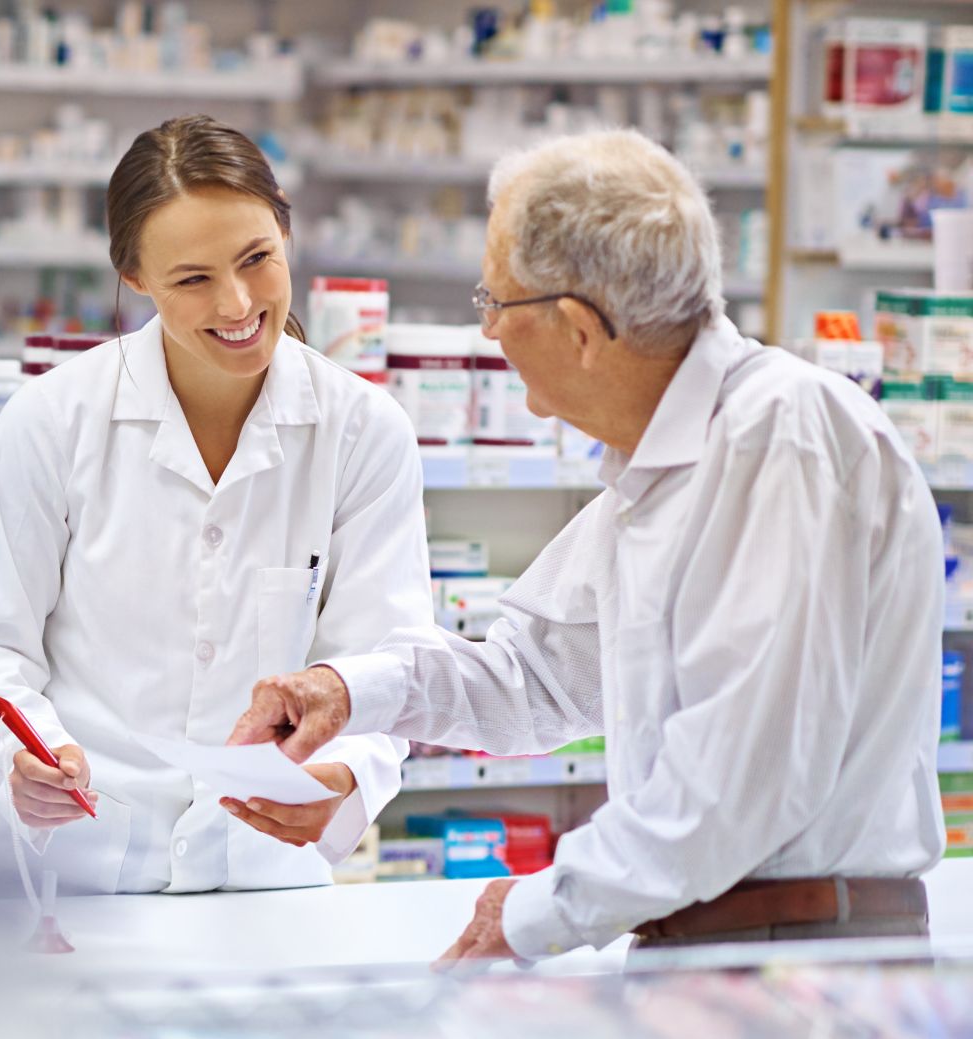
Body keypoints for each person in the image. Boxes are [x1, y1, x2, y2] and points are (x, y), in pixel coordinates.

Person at [228, 129, 946, 960]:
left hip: (802, 958)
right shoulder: (662, 467)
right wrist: (347, 690)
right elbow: (534, 680)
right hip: (718, 949)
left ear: (576, 326)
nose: (489, 332)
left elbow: (737, 791)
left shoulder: (778, 441)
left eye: (495, 302)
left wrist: (536, 913)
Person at [0, 115, 433, 897]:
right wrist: (28, 757)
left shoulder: (362, 431)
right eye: (193, 279)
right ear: (136, 278)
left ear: (287, 236)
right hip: (70, 877)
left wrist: (346, 776)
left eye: (257, 260)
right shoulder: (51, 422)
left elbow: (388, 660)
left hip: (262, 879)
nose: (238, 302)